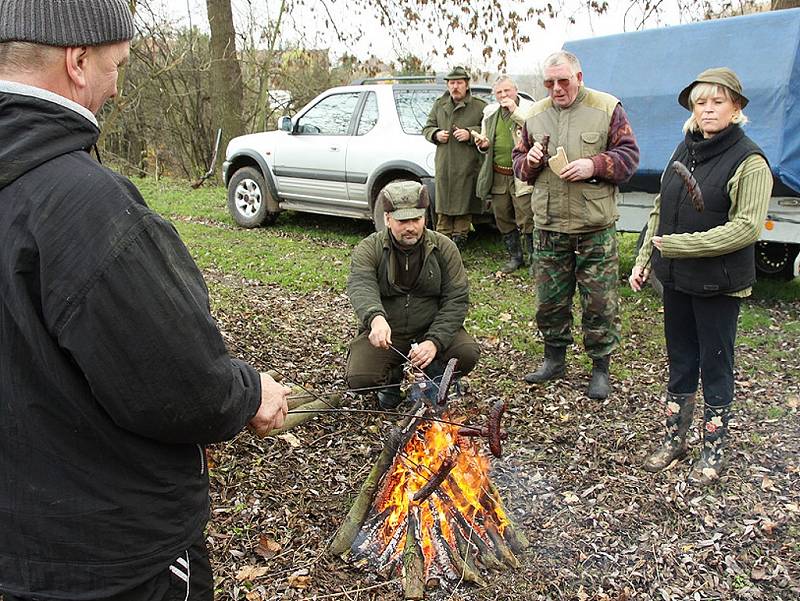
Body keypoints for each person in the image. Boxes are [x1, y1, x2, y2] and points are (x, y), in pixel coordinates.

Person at [0, 1, 290, 598]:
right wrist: (247, 392)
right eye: (117, 66)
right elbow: (182, 386)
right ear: (78, 61)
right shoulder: (86, 207)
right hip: (112, 561)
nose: (115, 87)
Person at [630, 68, 771, 486]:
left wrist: (679, 246)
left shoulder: (750, 161)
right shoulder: (684, 149)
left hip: (719, 284)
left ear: (737, 108)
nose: (707, 109)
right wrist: (644, 258)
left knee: (716, 365)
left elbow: (746, 228)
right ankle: (675, 439)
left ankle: (713, 449)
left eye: (717, 101)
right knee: (681, 362)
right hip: (676, 280)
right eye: (700, 103)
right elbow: (660, 207)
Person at [512, 50, 640, 399]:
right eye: (549, 82)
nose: (556, 88)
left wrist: (594, 165)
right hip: (550, 226)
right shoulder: (534, 116)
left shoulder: (607, 109)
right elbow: (519, 164)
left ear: (579, 78)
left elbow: (629, 158)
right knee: (549, 301)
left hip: (593, 227)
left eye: (563, 80)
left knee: (600, 302)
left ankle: (600, 369)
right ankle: (554, 360)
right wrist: (531, 161)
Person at [345, 181, 481, 409]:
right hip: (389, 333)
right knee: (360, 378)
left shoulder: (444, 247)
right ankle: (391, 380)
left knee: (466, 352)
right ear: (387, 218)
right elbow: (361, 284)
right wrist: (375, 319)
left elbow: (456, 299)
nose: (410, 227)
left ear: (425, 217)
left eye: (416, 220)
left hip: (430, 327)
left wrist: (434, 341)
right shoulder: (370, 248)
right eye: (402, 221)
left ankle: (434, 376)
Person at [475, 75, 535, 273]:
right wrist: (483, 146)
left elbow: (535, 131)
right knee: (502, 216)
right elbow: (486, 142)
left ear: (515, 91)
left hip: (522, 174)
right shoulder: (490, 113)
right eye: (499, 92)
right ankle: (515, 258)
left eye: (507, 91)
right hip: (499, 173)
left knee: (527, 216)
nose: (503, 95)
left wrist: (514, 111)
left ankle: (534, 260)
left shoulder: (529, 109)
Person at [422, 66, 487, 249]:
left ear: (466, 85)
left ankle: (459, 244)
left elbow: (487, 131)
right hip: (444, 165)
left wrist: (470, 133)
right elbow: (427, 128)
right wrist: (435, 134)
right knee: (443, 207)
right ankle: (442, 244)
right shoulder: (439, 105)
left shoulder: (479, 106)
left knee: (463, 207)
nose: (455, 86)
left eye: (459, 82)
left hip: (467, 166)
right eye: (452, 83)